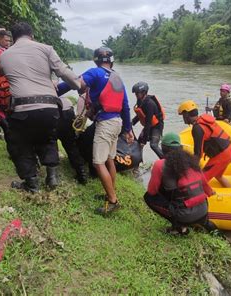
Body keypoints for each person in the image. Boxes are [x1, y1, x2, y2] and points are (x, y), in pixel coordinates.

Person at [0, 21, 80, 192]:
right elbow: (64, 72)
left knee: (21, 144)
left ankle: (32, 184)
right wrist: (80, 85)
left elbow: (1, 73)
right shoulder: (46, 49)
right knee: (48, 138)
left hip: (22, 109)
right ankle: (52, 177)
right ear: (32, 35)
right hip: (50, 107)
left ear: (13, 38)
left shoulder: (5, 55)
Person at [57, 46, 134, 215]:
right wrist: (128, 129)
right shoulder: (118, 78)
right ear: (111, 61)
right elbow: (126, 106)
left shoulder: (95, 72)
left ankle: (113, 201)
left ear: (96, 61)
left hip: (105, 123)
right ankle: (110, 192)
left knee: (98, 162)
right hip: (117, 123)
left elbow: (76, 83)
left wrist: (56, 90)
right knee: (109, 160)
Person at [144, 133, 217, 235]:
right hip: (204, 210)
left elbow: (152, 191)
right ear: (180, 148)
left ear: (163, 148)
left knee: (148, 197)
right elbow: (205, 186)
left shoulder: (160, 164)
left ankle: (179, 228)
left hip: (184, 215)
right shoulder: (192, 162)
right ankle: (205, 227)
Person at [178, 100, 231, 187]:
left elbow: (198, 153)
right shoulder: (202, 121)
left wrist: (190, 170)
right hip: (230, 150)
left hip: (222, 155)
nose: (183, 118)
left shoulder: (197, 128)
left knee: (200, 181)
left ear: (187, 115)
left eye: (183, 116)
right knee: (218, 176)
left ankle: (201, 198)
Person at [57, 97, 88, 184]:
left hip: (50, 110)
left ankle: (53, 176)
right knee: (70, 144)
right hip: (67, 109)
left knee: (50, 141)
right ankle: (81, 173)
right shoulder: (58, 85)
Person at [131, 81, 165, 159]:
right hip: (149, 125)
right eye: (135, 93)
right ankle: (137, 162)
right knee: (138, 144)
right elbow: (140, 115)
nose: (136, 95)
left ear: (144, 92)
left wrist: (144, 140)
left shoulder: (150, 104)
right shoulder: (140, 101)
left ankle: (165, 161)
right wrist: (132, 122)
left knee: (153, 145)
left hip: (157, 126)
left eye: (137, 93)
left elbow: (148, 123)